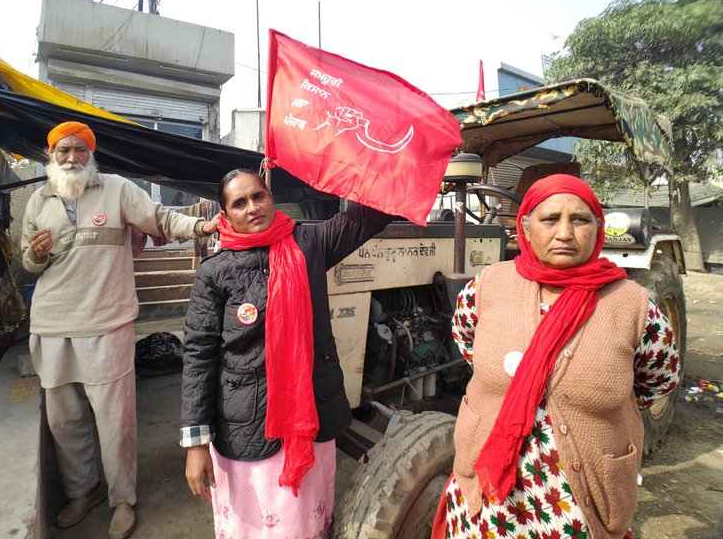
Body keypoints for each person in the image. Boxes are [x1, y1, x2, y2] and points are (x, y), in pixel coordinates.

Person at [431, 174, 680, 539]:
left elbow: (659, 377)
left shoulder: (632, 304)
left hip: (579, 506)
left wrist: (591, 391)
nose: (564, 233)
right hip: (485, 498)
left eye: (579, 220)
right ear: (527, 229)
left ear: (597, 229)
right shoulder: (486, 287)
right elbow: (468, 342)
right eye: (550, 220)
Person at [22, 121, 217, 539]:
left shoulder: (117, 190)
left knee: (116, 421)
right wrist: (35, 256)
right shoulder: (38, 200)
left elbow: (160, 218)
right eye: (64, 151)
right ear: (51, 154)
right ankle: (83, 490)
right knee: (65, 420)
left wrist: (199, 227)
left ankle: (123, 499)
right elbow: (27, 262)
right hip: (53, 323)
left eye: (79, 150)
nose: (72, 158)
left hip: (107, 321)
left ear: (91, 155)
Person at [180, 168, 394, 538]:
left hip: (309, 412)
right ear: (224, 214)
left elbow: (367, 217)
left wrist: (394, 164)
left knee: (305, 523)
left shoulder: (309, 243)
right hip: (245, 422)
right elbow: (199, 354)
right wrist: (196, 442)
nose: (252, 208)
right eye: (239, 203)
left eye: (258, 196)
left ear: (270, 196)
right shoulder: (214, 273)